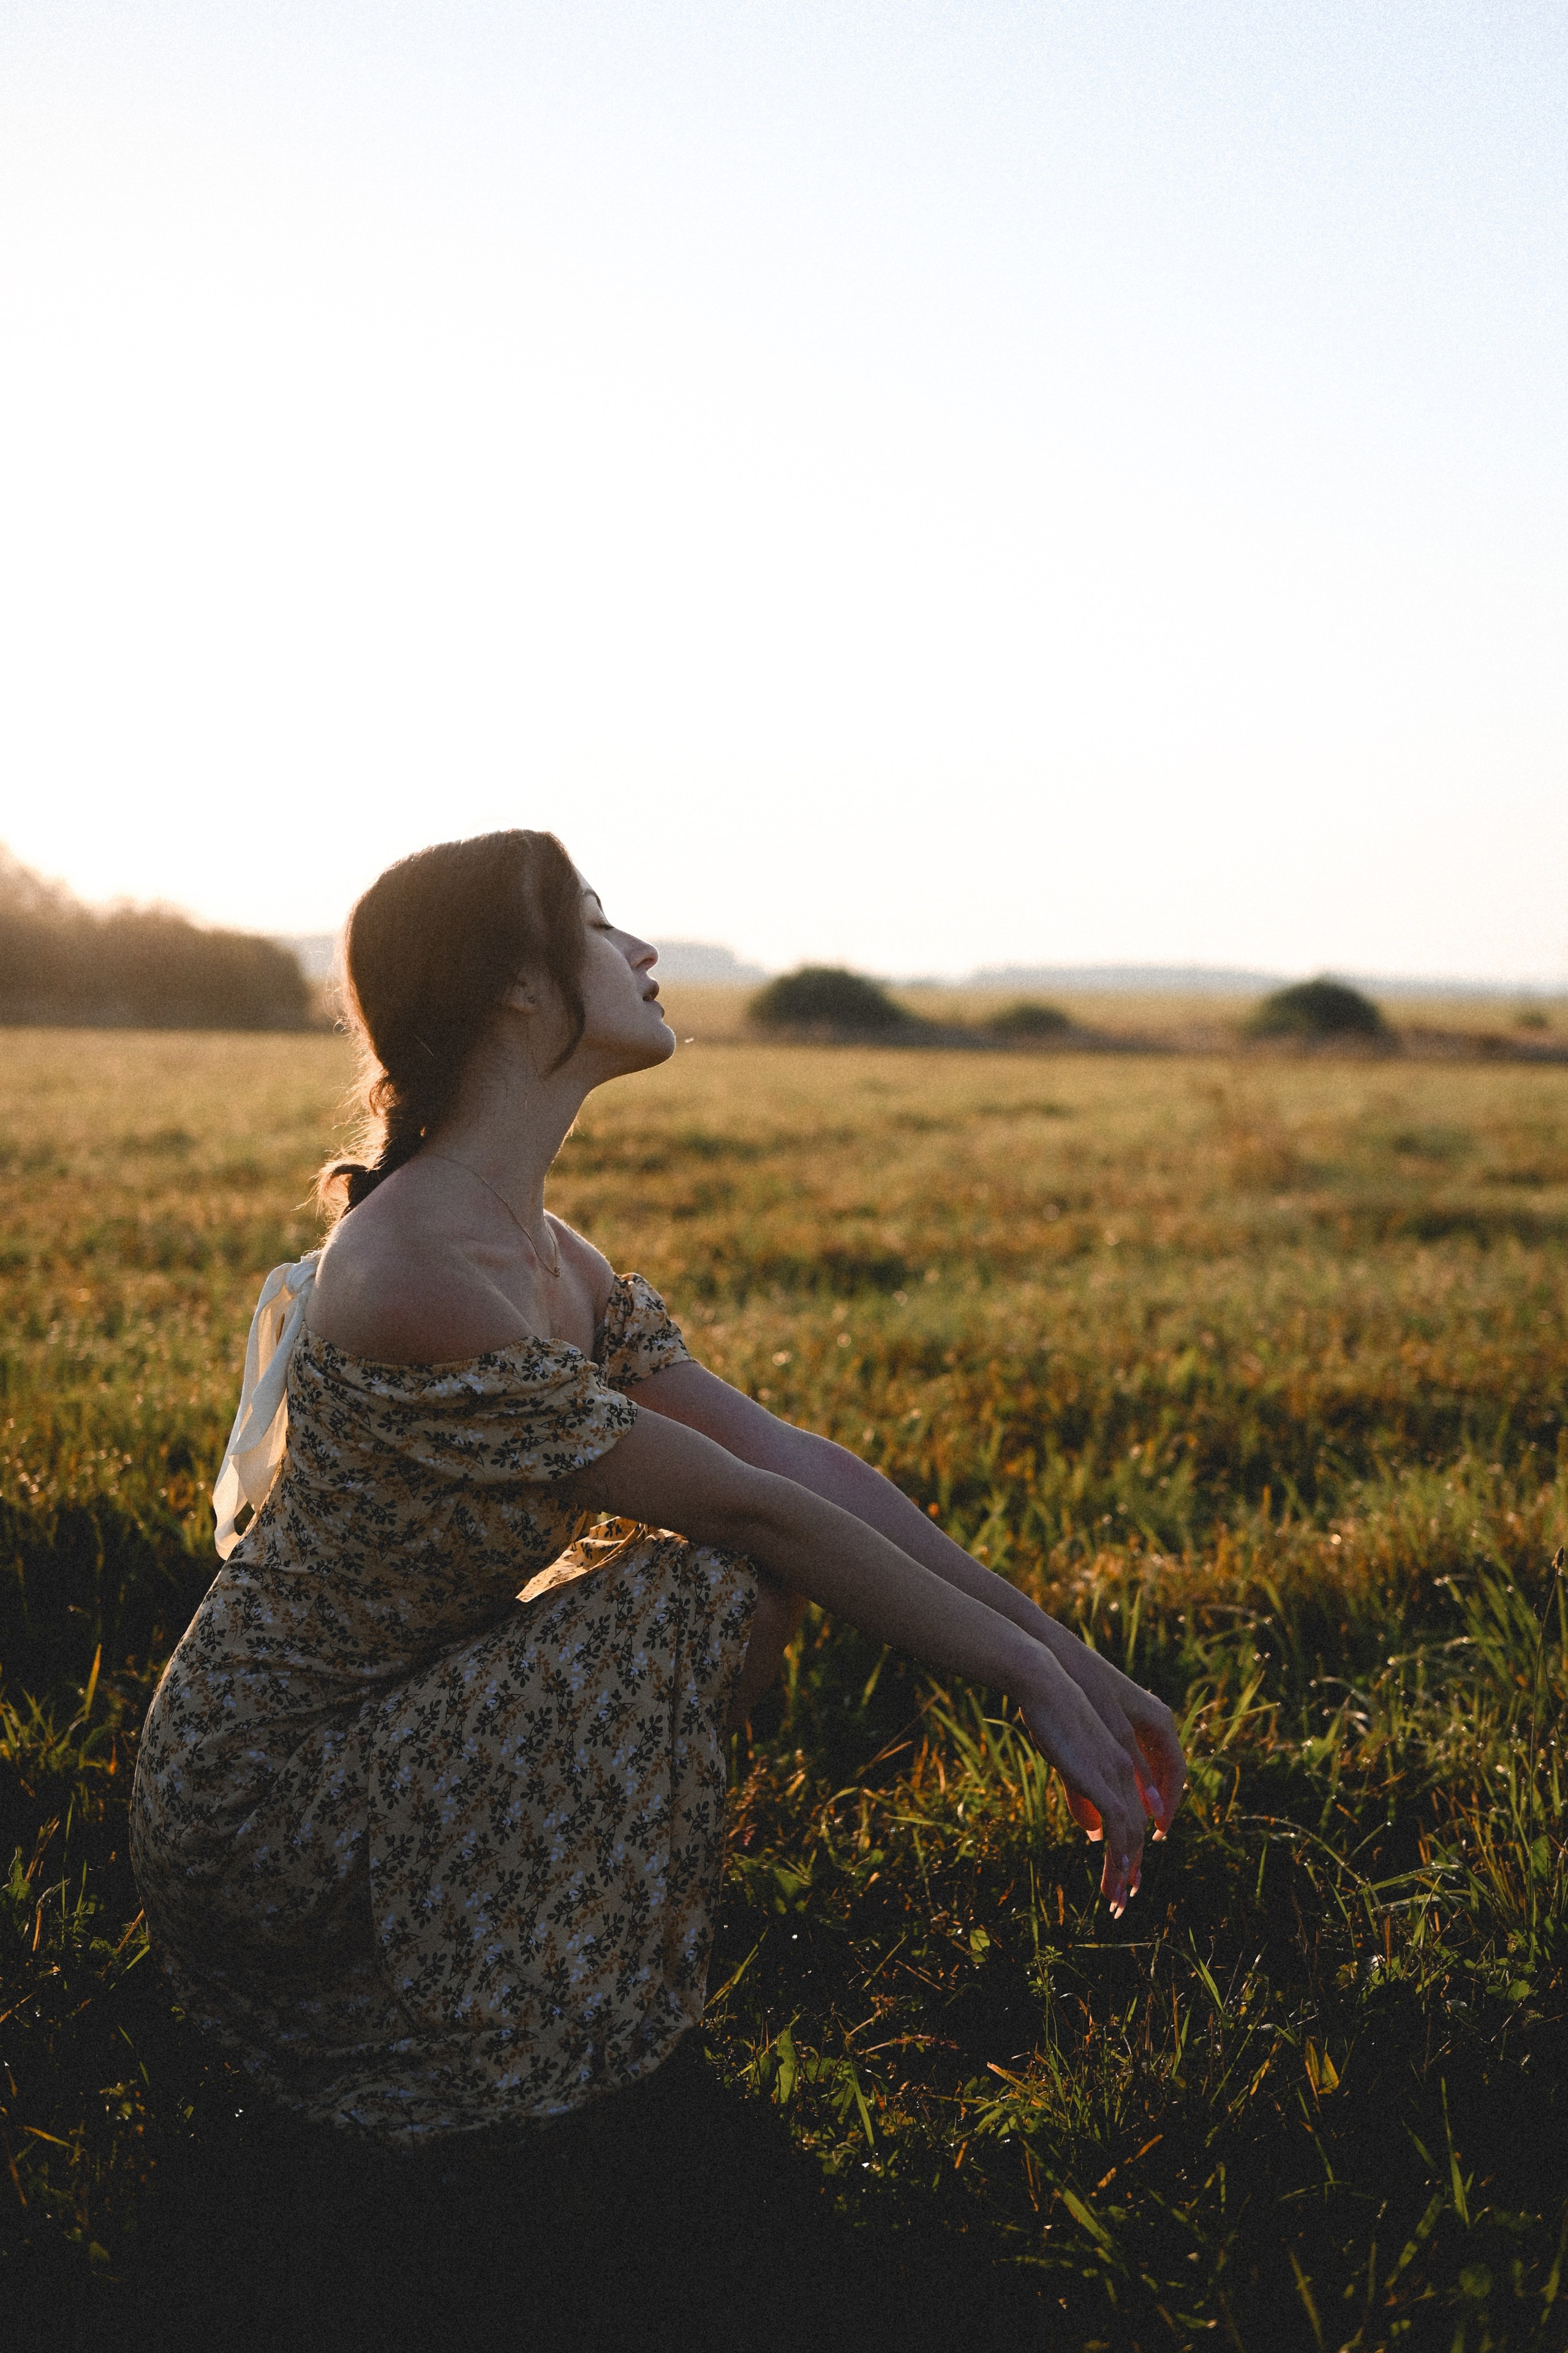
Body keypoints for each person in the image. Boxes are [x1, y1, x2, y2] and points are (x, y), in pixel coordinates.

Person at [129, 826, 1184, 2158]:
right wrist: (1020, 1680)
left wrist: (1069, 1656)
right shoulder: (411, 1269)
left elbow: (794, 1463)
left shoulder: (546, 1255)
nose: (639, 950)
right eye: (592, 920)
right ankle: (492, 2010)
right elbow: (750, 1513)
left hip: (392, 1724)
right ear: (516, 985)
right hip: (268, 1802)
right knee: (709, 1578)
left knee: (730, 1571)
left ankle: (539, 1971)